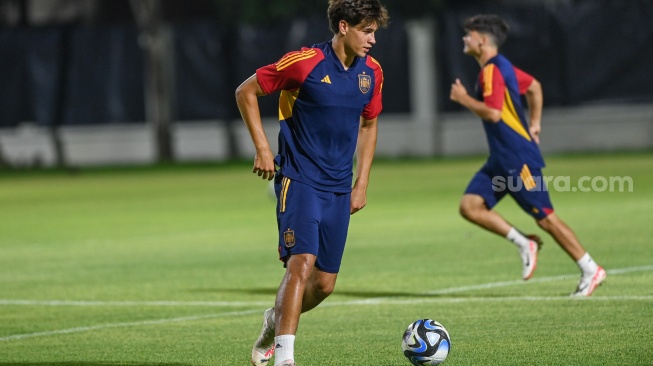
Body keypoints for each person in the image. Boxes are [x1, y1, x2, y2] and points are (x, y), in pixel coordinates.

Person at [235, 1, 389, 365]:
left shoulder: (373, 72)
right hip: (298, 179)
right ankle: (285, 359)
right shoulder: (304, 63)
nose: (373, 39)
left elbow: (369, 125)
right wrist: (262, 149)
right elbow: (246, 92)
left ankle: (274, 322)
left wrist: (361, 182)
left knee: (323, 285)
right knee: (301, 263)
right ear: (343, 26)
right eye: (367, 30)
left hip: (338, 187)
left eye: (375, 31)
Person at [449, 14, 606, 297]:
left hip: (517, 160)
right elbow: (534, 86)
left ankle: (590, 269)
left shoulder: (492, 72)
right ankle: (524, 243)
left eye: (469, 35)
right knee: (470, 206)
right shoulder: (501, 66)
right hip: (500, 159)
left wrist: (464, 100)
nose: (464, 38)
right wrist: (535, 123)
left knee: (546, 218)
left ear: (482, 40)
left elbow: (494, 114)